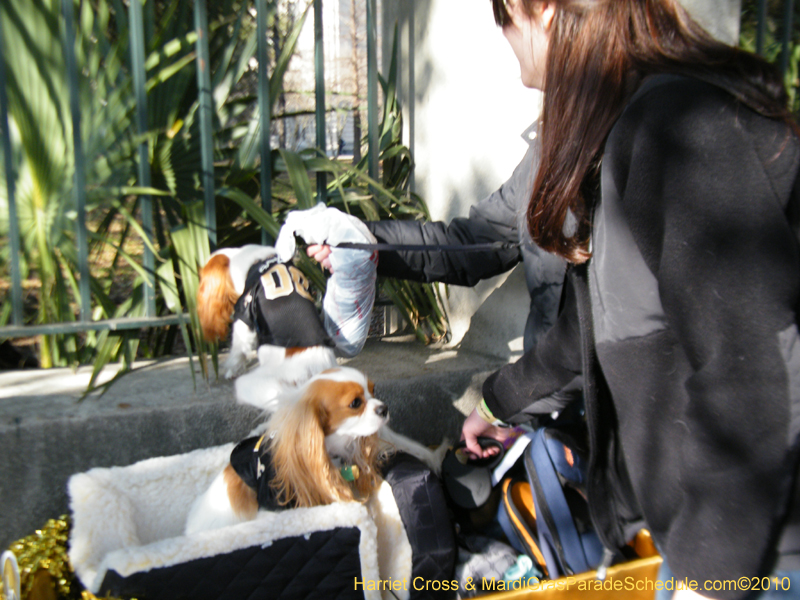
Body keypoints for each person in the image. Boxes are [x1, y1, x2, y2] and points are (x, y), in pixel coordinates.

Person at [458, 0, 800, 598]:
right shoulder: (625, 130)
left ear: (534, 8)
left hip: (755, 560)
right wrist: (497, 405)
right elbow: (592, 330)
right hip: (705, 549)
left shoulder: (683, 127)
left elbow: (753, 375)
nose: (507, 44)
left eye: (503, 23)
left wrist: (704, 577)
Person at [308, 124, 567, 355]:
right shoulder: (554, 147)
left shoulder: (601, 151)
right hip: (549, 385)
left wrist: (502, 398)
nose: (519, 65)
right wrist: (364, 241)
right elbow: (469, 245)